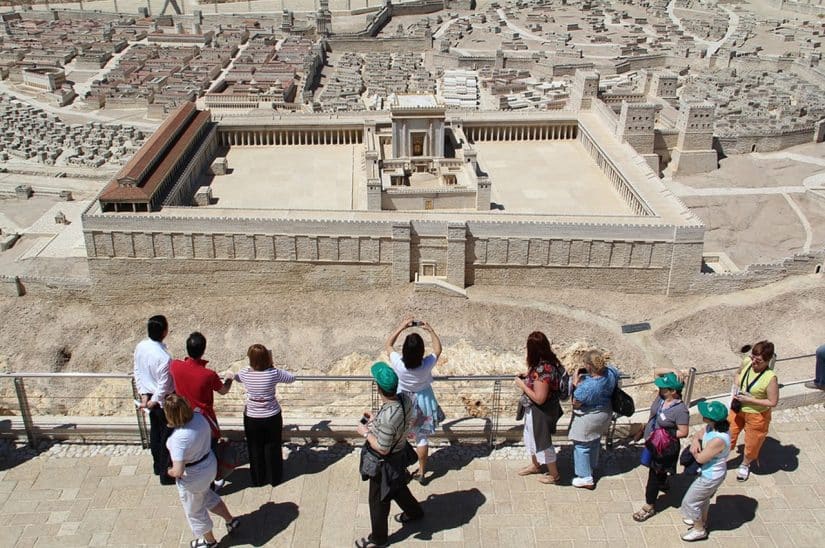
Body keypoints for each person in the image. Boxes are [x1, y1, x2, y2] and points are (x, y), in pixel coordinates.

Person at [355, 362, 423, 548]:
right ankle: (415, 512)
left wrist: (365, 432)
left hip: (384, 462)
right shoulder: (405, 399)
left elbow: (382, 448)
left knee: (378, 499)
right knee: (398, 485)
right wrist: (377, 418)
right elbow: (401, 420)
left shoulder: (388, 418)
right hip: (400, 452)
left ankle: (379, 538)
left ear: (378, 388)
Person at [164, 394, 240, 548]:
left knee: (195, 511)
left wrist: (169, 471)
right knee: (206, 495)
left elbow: (178, 471)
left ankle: (209, 542)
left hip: (193, 476)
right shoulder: (199, 417)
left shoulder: (179, 438)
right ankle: (230, 520)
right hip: (209, 464)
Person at [226, 343, 295, 487]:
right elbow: (291, 378)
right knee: (273, 446)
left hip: (252, 416)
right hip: (271, 415)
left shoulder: (245, 373)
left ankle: (258, 478)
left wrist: (230, 376)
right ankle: (275, 478)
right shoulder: (273, 373)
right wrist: (272, 365)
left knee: (254, 447)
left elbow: (236, 377)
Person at [384, 316, 442, 484]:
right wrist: (430, 329)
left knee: (399, 436)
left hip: (403, 402)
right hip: (424, 401)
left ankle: (400, 468)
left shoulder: (399, 364)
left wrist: (401, 327)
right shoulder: (427, 364)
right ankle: (423, 472)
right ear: (422, 351)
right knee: (422, 438)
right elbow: (438, 349)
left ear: (404, 351)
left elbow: (388, 345)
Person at [633, 369, 690, 522]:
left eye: (664, 388)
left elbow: (683, 431)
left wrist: (666, 434)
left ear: (673, 391)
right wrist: (674, 371)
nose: (659, 389)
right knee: (654, 468)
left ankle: (649, 505)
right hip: (652, 441)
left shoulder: (680, 410)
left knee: (653, 476)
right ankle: (664, 482)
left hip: (663, 447)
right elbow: (657, 372)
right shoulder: (661, 397)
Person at [514, 331, 565, 484]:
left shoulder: (542, 372)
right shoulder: (550, 362)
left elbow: (539, 398)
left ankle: (554, 475)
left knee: (543, 443)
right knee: (531, 437)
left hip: (541, 412)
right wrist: (528, 375)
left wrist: (522, 384)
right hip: (539, 411)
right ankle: (536, 465)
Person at [170, 332, 234, 454]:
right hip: (205, 420)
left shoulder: (175, 366)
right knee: (209, 451)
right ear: (203, 350)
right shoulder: (209, 375)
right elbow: (223, 390)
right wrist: (229, 379)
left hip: (182, 416)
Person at [679, 400, 731, 542]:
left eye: (706, 414)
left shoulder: (718, 440)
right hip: (706, 472)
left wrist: (693, 451)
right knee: (702, 499)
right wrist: (695, 442)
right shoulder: (711, 427)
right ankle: (702, 520)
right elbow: (698, 435)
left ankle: (699, 529)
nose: (703, 415)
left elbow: (701, 458)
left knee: (690, 502)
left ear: (713, 419)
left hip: (710, 476)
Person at [133, 315, 175, 485]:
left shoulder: (140, 347)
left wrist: (144, 395)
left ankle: (158, 466)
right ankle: (166, 474)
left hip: (149, 398)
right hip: (161, 401)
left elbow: (137, 370)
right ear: (165, 331)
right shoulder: (164, 357)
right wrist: (154, 400)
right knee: (166, 437)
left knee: (156, 433)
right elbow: (164, 384)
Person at [729, 340, 779, 481]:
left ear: (767, 360)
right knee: (728, 433)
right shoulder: (747, 361)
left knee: (753, 442)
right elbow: (738, 374)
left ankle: (745, 464)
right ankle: (720, 458)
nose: (754, 362)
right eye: (753, 357)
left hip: (757, 414)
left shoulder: (770, 378)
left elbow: (772, 402)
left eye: (759, 360)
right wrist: (736, 386)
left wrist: (751, 400)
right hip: (738, 407)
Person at [568, 350, 619, 489]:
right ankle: (591, 466)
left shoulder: (589, 387)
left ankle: (585, 477)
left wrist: (575, 384)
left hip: (590, 418)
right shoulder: (611, 373)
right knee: (595, 440)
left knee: (582, 445)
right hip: (605, 413)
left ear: (589, 366)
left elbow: (575, 402)